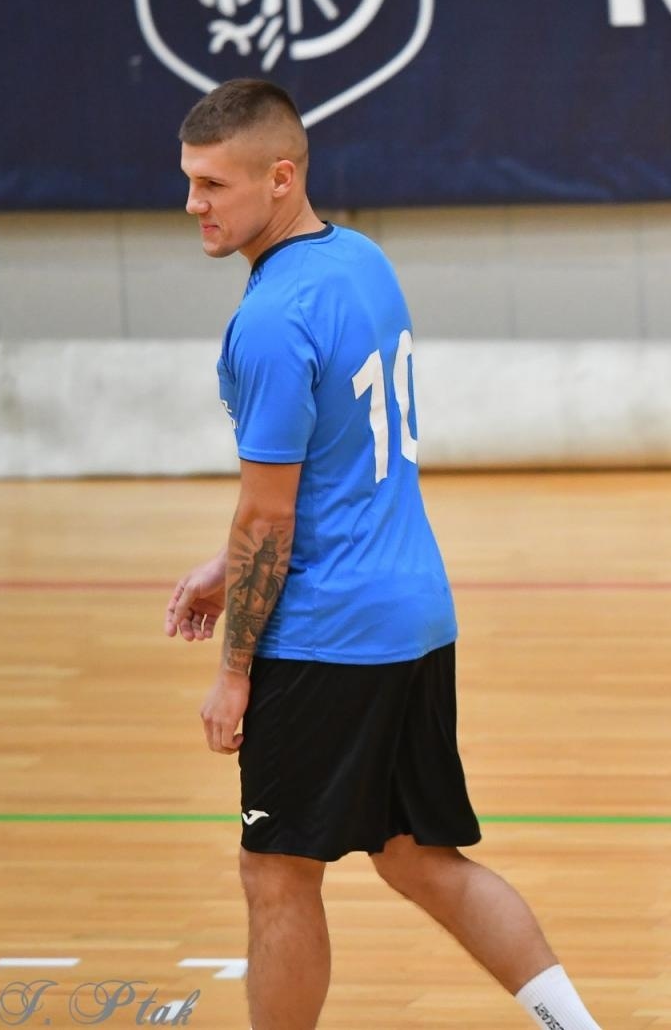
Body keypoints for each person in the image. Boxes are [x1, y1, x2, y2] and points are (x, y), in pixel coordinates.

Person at [162, 78, 601, 1030]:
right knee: (416, 857)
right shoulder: (361, 261)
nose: (194, 204)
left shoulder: (271, 321)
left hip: (326, 636)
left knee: (277, 872)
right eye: (190, 181)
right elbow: (335, 467)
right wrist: (228, 565)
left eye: (214, 184)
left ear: (281, 178)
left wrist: (234, 673)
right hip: (413, 616)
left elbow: (268, 520)